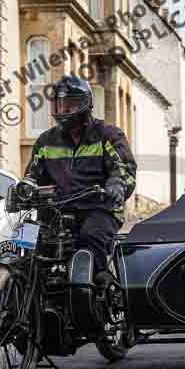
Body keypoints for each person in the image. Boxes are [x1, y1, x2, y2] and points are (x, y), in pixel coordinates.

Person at [23, 74, 137, 281]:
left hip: (100, 207)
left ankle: (98, 287)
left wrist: (116, 185)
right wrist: (25, 187)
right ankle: (23, 295)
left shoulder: (107, 135)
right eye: (58, 105)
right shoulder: (46, 141)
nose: (63, 111)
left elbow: (126, 171)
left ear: (84, 104)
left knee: (89, 238)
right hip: (58, 210)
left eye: (69, 105)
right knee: (26, 244)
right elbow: (32, 174)